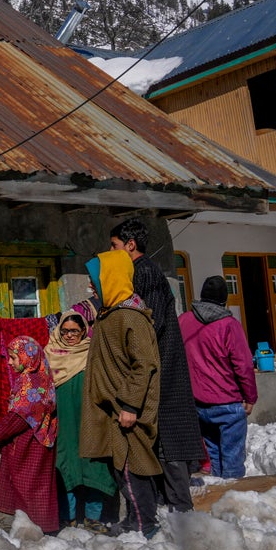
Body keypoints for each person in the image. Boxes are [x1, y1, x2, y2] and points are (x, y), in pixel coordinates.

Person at [111, 218, 200, 512]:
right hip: (159, 365)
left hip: (162, 366)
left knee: (170, 438)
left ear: (130, 245)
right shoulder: (142, 272)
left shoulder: (144, 272)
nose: (112, 251)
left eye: (115, 246)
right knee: (164, 438)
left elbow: (150, 324)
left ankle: (181, 512)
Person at [79, 251, 162, 538]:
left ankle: (144, 524)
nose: (91, 286)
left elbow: (145, 364)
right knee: (122, 467)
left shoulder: (130, 316)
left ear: (110, 279)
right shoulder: (110, 314)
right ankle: (136, 520)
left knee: (132, 467)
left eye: (94, 280)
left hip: (126, 409)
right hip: (113, 407)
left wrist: (129, 404)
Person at [44, 308, 117, 528]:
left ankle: (93, 517)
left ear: (84, 331)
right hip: (63, 420)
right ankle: (68, 517)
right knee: (67, 464)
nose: (69, 336)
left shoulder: (93, 353)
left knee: (93, 464)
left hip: (91, 419)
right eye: (65, 331)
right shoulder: (50, 354)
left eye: (75, 331)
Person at [179, 276, 258, 479]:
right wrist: (250, 397)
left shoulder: (185, 320)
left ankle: (218, 499)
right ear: (225, 299)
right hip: (227, 402)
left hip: (196, 402)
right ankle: (233, 502)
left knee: (212, 454)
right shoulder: (229, 324)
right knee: (232, 459)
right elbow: (244, 365)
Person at [0, 336, 59, 532]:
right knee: (40, 487)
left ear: (27, 357)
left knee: (28, 490)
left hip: (29, 445)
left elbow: (20, 416)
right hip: (42, 441)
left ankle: (33, 533)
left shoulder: (29, 381)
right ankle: (42, 530)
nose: (10, 362)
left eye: (14, 357)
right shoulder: (44, 377)